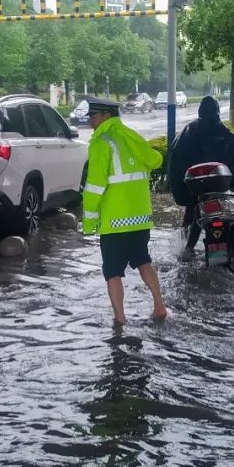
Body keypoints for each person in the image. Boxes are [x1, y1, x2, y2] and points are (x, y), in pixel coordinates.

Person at [81, 96, 168, 327]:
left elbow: (95, 187)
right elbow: (156, 159)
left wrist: (89, 221)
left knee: (112, 272)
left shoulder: (102, 142)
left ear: (107, 116)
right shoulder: (131, 137)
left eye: (94, 115)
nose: (90, 120)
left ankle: (120, 318)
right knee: (143, 260)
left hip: (114, 221)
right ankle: (159, 305)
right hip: (140, 219)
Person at [167, 96, 234, 254]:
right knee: (195, 210)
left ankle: (187, 250)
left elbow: (174, 160)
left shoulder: (186, 132)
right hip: (211, 190)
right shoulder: (217, 129)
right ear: (216, 112)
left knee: (192, 211)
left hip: (194, 189)